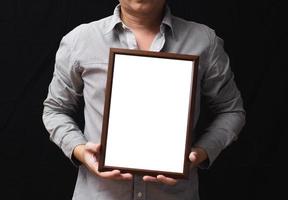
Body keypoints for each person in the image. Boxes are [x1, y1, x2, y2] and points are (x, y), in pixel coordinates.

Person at [42, 0, 246, 199]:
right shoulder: (81, 40)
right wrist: (79, 150)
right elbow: (54, 110)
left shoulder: (204, 41)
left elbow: (231, 111)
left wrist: (199, 154)